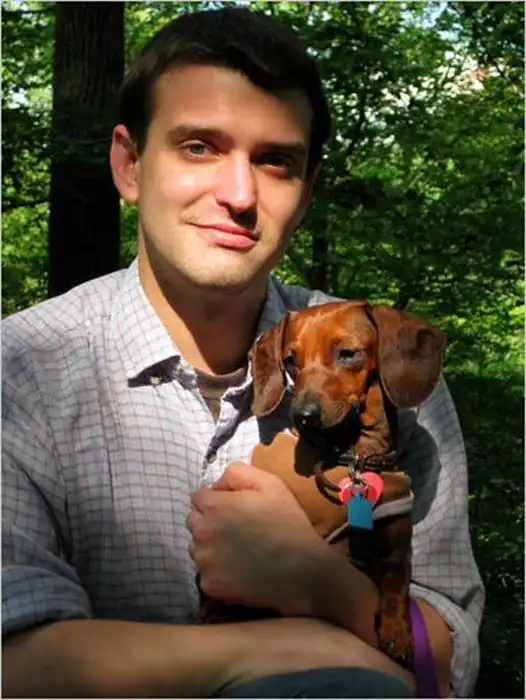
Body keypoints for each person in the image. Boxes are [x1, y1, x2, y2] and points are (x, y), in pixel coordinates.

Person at [2, 7, 484, 698]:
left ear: (306, 191)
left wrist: (316, 582)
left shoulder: (389, 371)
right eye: (199, 147)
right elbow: (13, 662)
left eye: (275, 160)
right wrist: (284, 645)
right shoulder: (21, 370)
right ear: (130, 165)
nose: (238, 194)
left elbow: (448, 666)